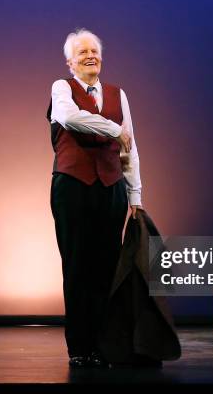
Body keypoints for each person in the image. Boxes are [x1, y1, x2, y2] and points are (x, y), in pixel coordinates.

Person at [47, 28, 142, 367]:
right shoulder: (63, 88)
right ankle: (80, 348)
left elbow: (130, 148)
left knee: (107, 269)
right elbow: (69, 117)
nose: (91, 56)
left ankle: (105, 345)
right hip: (73, 186)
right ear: (70, 60)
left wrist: (136, 196)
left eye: (95, 51)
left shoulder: (118, 94)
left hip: (111, 188)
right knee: (77, 268)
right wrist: (114, 129)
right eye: (82, 51)